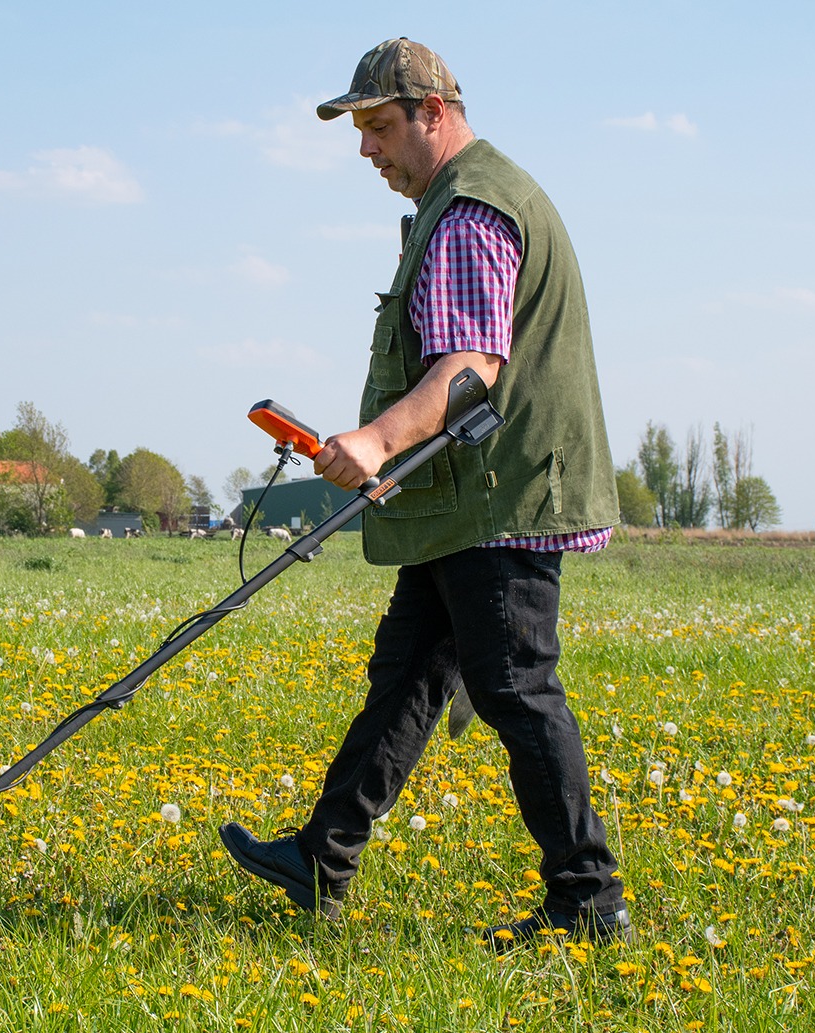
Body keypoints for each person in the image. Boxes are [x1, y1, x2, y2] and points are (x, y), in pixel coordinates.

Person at [218, 38, 632, 950]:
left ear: (431, 112)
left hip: (500, 498)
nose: (365, 148)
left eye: (376, 126)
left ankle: (588, 902)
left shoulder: (472, 211)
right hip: (464, 500)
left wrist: (372, 440)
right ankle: (320, 856)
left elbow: (470, 366)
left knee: (517, 689)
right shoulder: (460, 201)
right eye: (358, 129)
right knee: (405, 673)